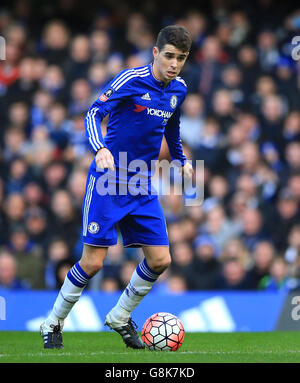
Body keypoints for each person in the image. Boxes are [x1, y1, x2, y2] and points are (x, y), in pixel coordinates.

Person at [40, 25, 193, 350]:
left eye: (180, 58)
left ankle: (120, 316)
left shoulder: (179, 89)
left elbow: (173, 129)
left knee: (161, 260)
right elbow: (94, 112)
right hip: (109, 182)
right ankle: (52, 322)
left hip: (142, 183)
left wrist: (181, 160)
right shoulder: (131, 80)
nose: (174, 64)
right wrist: (101, 148)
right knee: (93, 263)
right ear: (155, 52)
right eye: (169, 56)